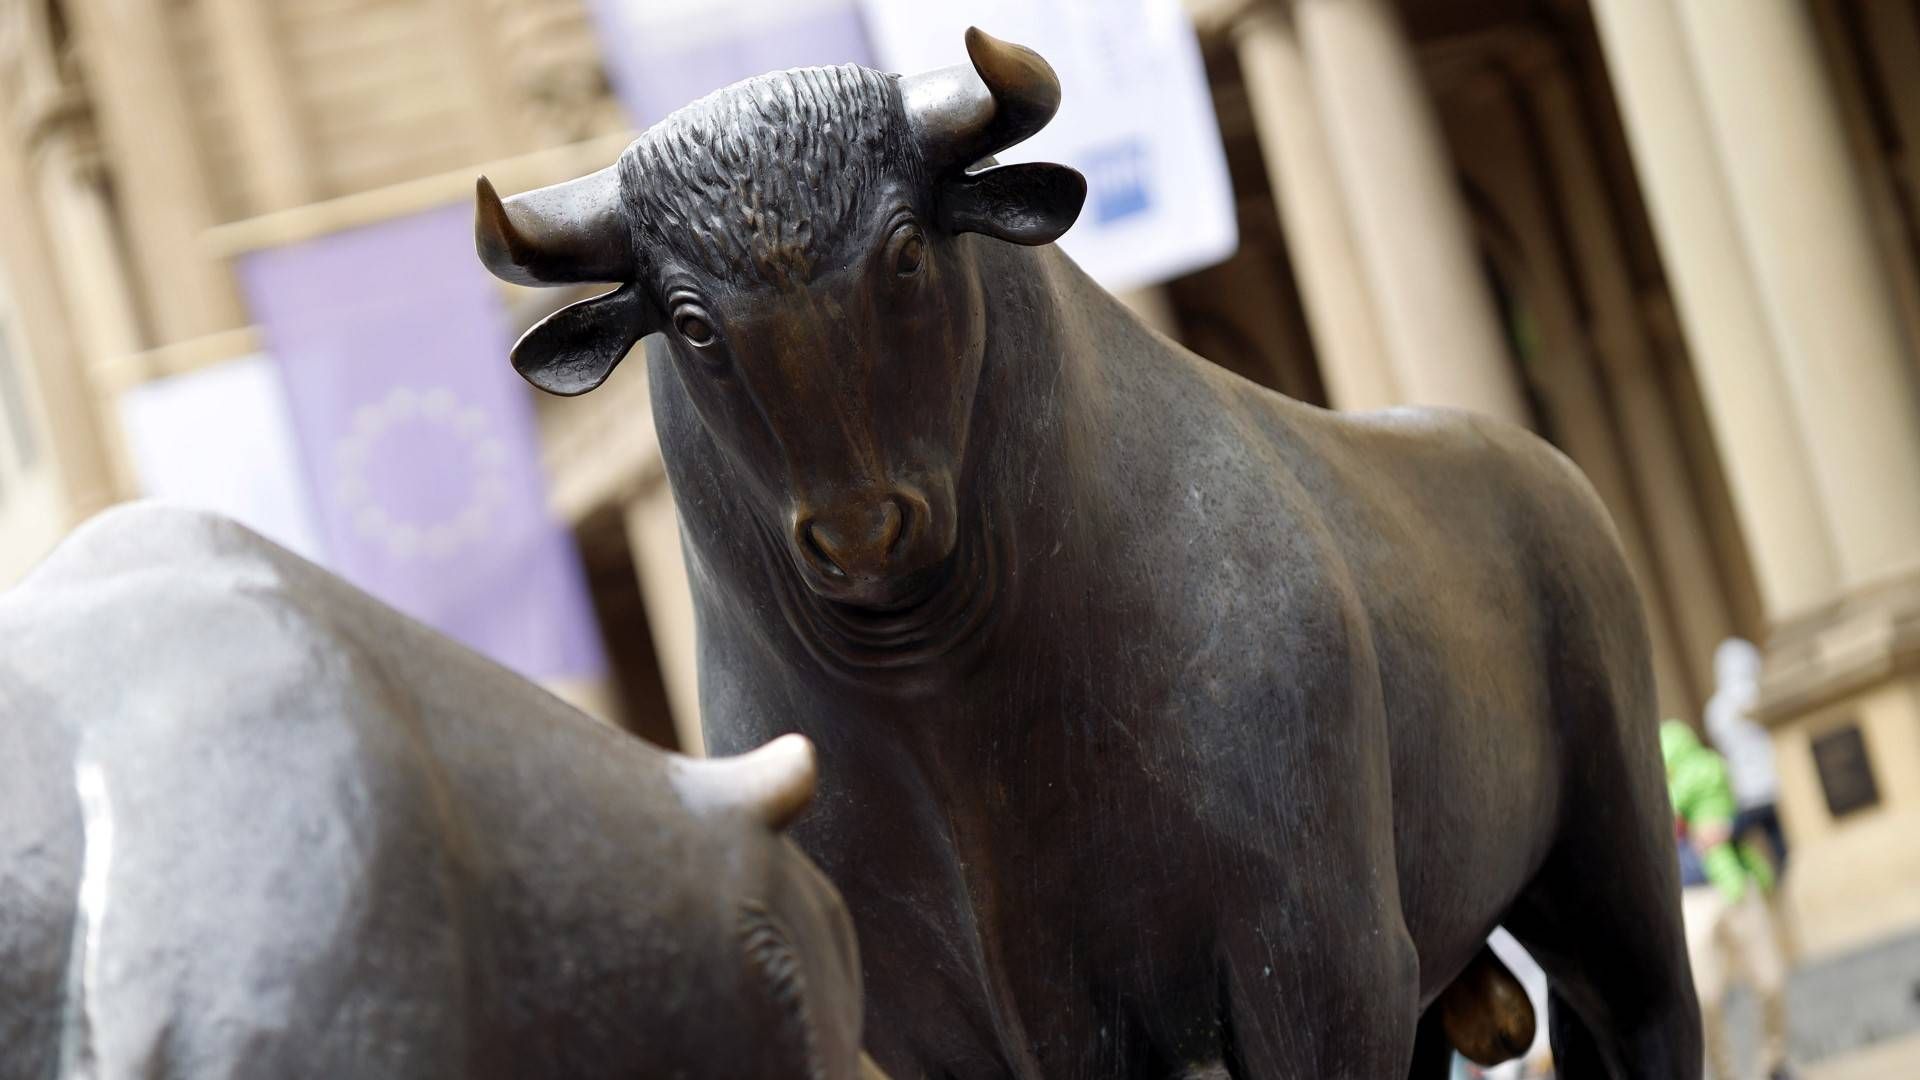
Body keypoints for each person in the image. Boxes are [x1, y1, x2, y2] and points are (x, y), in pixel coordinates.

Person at [1663, 720, 1795, 1080]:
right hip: (1692, 899)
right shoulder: (1655, 792)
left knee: (1770, 980)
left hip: (1736, 885)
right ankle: (1721, 1075)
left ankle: (1774, 1062)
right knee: (1704, 1000)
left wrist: (1727, 826)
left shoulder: (1713, 772)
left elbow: (1756, 805)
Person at [1704, 638, 1787, 872]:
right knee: (1785, 851)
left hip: (1746, 794)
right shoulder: (1758, 695)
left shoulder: (1715, 709)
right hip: (1773, 786)